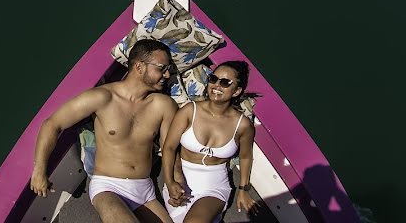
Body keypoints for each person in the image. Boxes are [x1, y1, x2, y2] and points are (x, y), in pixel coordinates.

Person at [30, 38, 178, 223]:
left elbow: (170, 148)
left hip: (144, 190)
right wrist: (40, 171)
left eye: (168, 69)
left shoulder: (163, 105)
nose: (166, 75)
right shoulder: (102, 97)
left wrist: (174, 181)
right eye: (161, 68)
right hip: (109, 187)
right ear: (139, 67)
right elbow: (52, 124)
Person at [161, 61, 258, 223]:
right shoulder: (189, 110)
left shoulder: (242, 125)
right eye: (213, 79)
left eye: (225, 82)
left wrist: (243, 189)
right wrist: (169, 181)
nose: (216, 85)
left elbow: (246, 157)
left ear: (237, 91)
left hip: (213, 187)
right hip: (180, 181)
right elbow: (169, 148)